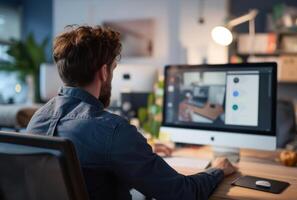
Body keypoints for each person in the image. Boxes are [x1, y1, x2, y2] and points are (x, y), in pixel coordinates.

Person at [26, 25, 236, 200]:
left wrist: (136, 151)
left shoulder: (38, 119)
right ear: (104, 71)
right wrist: (217, 169)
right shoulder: (113, 131)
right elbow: (182, 193)